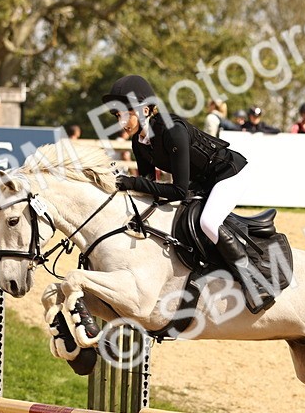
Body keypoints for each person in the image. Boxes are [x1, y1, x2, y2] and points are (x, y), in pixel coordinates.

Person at [102, 75, 268, 306]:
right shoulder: (139, 143)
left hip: (229, 173)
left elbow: (179, 190)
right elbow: (150, 188)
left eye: (125, 113)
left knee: (208, 222)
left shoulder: (172, 130)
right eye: (118, 115)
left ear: (146, 110)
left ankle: (255, 279)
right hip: (202, 182)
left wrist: (131, 182)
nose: (122, 122)